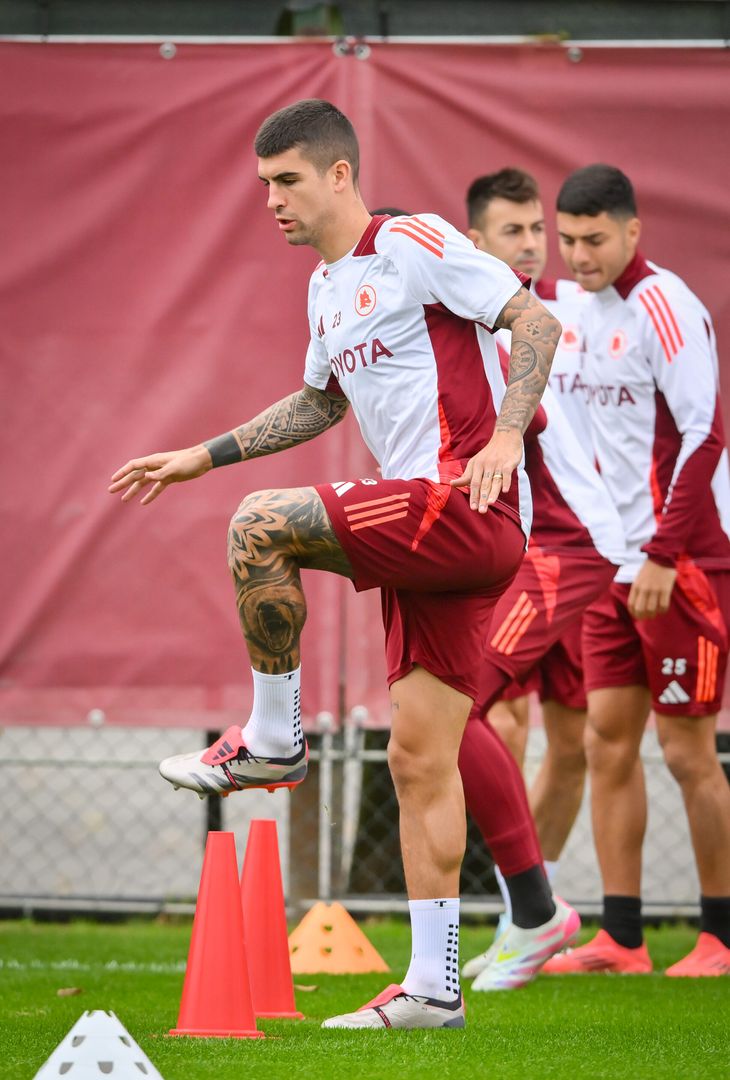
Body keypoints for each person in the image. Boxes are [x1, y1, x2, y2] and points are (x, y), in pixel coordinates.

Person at [109, 99, 562, 1028]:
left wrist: (507, 435)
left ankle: (274, 739)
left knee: (260, 525)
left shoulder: (412, 241)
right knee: (419, 758)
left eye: (287, 180)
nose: (272, 199)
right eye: (264, 184)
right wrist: (202, 454)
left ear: (340, 174)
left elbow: (535, 323)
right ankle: (434, 987)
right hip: (440, 536)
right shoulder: (324, 287)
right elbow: (319, 404)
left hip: (460, 501)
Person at [542, 163, 730, 977]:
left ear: (632, 231)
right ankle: (622, 938)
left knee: (688, 752)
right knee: (606, 743)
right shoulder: (570, 310)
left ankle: (722, 938)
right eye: (568, 239)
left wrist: (662, 553)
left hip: (682, 565)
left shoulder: (667, 305)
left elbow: (706, 434)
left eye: (594, 239)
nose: (579, 255)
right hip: (609, 567)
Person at [457, 168, 627, 988]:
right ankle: (525, 918)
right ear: (474, 244)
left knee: (455, 704)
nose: (533, 246)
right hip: (544, 544)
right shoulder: (475, 319)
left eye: (537, 230)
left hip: (570, 548)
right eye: (513, 231)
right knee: (562, 740)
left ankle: (533, 917)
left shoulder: (560, 315)